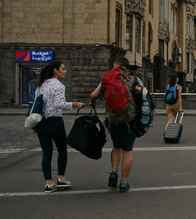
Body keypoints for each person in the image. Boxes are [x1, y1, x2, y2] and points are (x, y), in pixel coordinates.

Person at [89, 57, 142, 192]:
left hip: (113, 120)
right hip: (130, 120)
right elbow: (143, 98)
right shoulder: (134, 80)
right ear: (126, 67)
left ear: (116, 65)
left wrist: (93, 102)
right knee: (128, 150)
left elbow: (93, 95)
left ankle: (114, 171)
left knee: (116, 146)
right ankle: (124, 182)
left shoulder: (108, 78)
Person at [35, 61, 85, 193]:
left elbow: (36, 105)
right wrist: (75, 104)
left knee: (46, 153)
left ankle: (48, 183)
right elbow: (59, 104)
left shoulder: (41, 85)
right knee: (62, 150)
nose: (65, 71)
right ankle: (60, 179)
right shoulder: (59, 86)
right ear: (55, 71)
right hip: (55, 122)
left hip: (41, 122)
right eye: (63, 69)